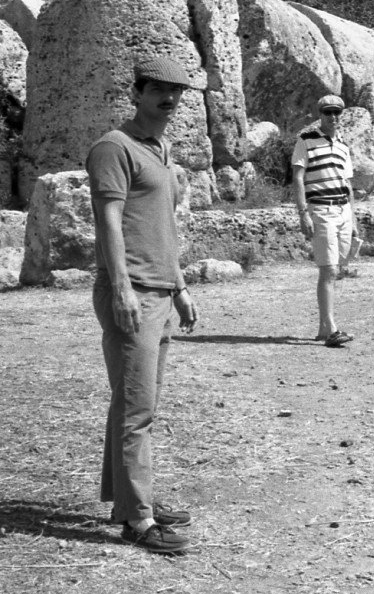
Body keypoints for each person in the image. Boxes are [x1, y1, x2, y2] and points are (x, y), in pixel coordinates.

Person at [86, 56, 200, 555]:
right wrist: (123, 289)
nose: (169, 99)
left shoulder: (161, 147)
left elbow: (160, 227)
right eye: (158, 90)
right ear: (136, 93)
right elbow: (108, 220)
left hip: (159, 290)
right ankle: (138, 520)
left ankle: (131, 501)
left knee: (135, 403)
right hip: (130, 292)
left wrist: (179, 287)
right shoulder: (115, 147)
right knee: (138, 410)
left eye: (177, 92)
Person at [292, 94, 360, 347]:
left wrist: (353, 219)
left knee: (337, 267)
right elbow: (298, 177)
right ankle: (331, 330)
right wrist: (303, 213)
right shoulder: (306, 140)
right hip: (321, 210)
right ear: (320, 114)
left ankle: (323, 328)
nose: (333, 117)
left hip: (342, 210)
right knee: (328, 269)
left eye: (337, 113)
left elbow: (347, 183)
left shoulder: (343, 145)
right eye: (328, 112)